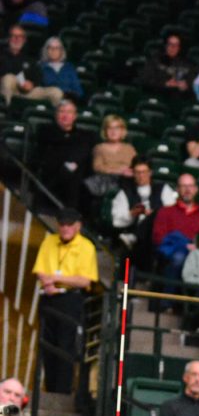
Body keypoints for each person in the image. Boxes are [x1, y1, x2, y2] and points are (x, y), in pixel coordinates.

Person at [33, 208, 99, 394]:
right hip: (48, 297)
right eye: (62, 224)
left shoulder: (87, 247)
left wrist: (54, 278)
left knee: (65, 346)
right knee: (47, 345)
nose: (65, 228)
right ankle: (49, 388)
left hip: (70, 300)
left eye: (69, 224)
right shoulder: (49, 241)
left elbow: (85, 280)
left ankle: (62, 392)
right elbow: (40, 271)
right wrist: (49, 283)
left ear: (78, 226)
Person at [111, 157, 177, 270]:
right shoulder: (125, 193)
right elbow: (116, 221)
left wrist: (153, 215)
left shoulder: (163, 189)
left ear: (150, 173)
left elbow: (172, 213)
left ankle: (135, 237)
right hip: (137, 236)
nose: (141, 176)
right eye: (137, 172)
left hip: (158, 234)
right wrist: (131, 214)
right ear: (133, 173)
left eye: (144, 172)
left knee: (158, 214)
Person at [36, 100, 95, 213]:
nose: (65, 115)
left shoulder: (85, 135)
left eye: (69, 112)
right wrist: (69, 165)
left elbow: (84, 152)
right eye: (62, 111)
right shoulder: (45, 130)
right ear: (56, 115)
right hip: (52, 174)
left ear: (75, 116)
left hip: (74, 178)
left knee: (77, 170)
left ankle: (70, 215)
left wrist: (72, 163)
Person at [151, 174, 199, 284]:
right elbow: (158, 238)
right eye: (184, 186)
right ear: (178, 189)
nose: (187, 190)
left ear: (196, 189)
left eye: (190, 186)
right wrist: (184, 245)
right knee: (179, 258)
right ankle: (168, 299)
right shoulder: (165, 212)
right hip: (171, 257)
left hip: (197, 258)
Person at [0, 24, 61, 106]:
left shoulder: (29, 59)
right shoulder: (2, 56)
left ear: (24, 40)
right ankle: (6, 111)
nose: (17, 39)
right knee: (8, 78)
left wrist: (31, 84)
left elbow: (38, 76)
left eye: (20, 36)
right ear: (9, 38)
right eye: (14, 36)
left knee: (56, 92)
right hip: (7, 88)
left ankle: (57, 117)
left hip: (27, 92)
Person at [88, 115, 136, 192]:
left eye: (117, 128)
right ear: (105, 131)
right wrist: (118, 171)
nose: (113, 131)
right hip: (106, 182)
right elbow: (98, 167)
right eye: (110, 128)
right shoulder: (99, 148)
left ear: (122, 131)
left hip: (126, 182)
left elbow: (135, 166)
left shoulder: (129, 148)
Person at [139, 32, 191, 97]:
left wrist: (185, 86)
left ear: (179, 48)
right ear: (166, 46)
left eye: (176, 45)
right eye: (170, 44)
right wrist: (165, 84)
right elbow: (145, 80)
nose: (173, 47)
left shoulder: (185, 64)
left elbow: (191, 83)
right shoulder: (155, 60)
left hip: (176, 99)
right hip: (155, 95)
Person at [38, 37, 83, 102]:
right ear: (46, 50)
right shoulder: (41, 66)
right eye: (50, 48)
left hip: (67, 100)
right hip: (48, 100)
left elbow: (79, 92)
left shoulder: (69, 67)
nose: (53, 50)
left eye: (56, 48)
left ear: (61, 51)